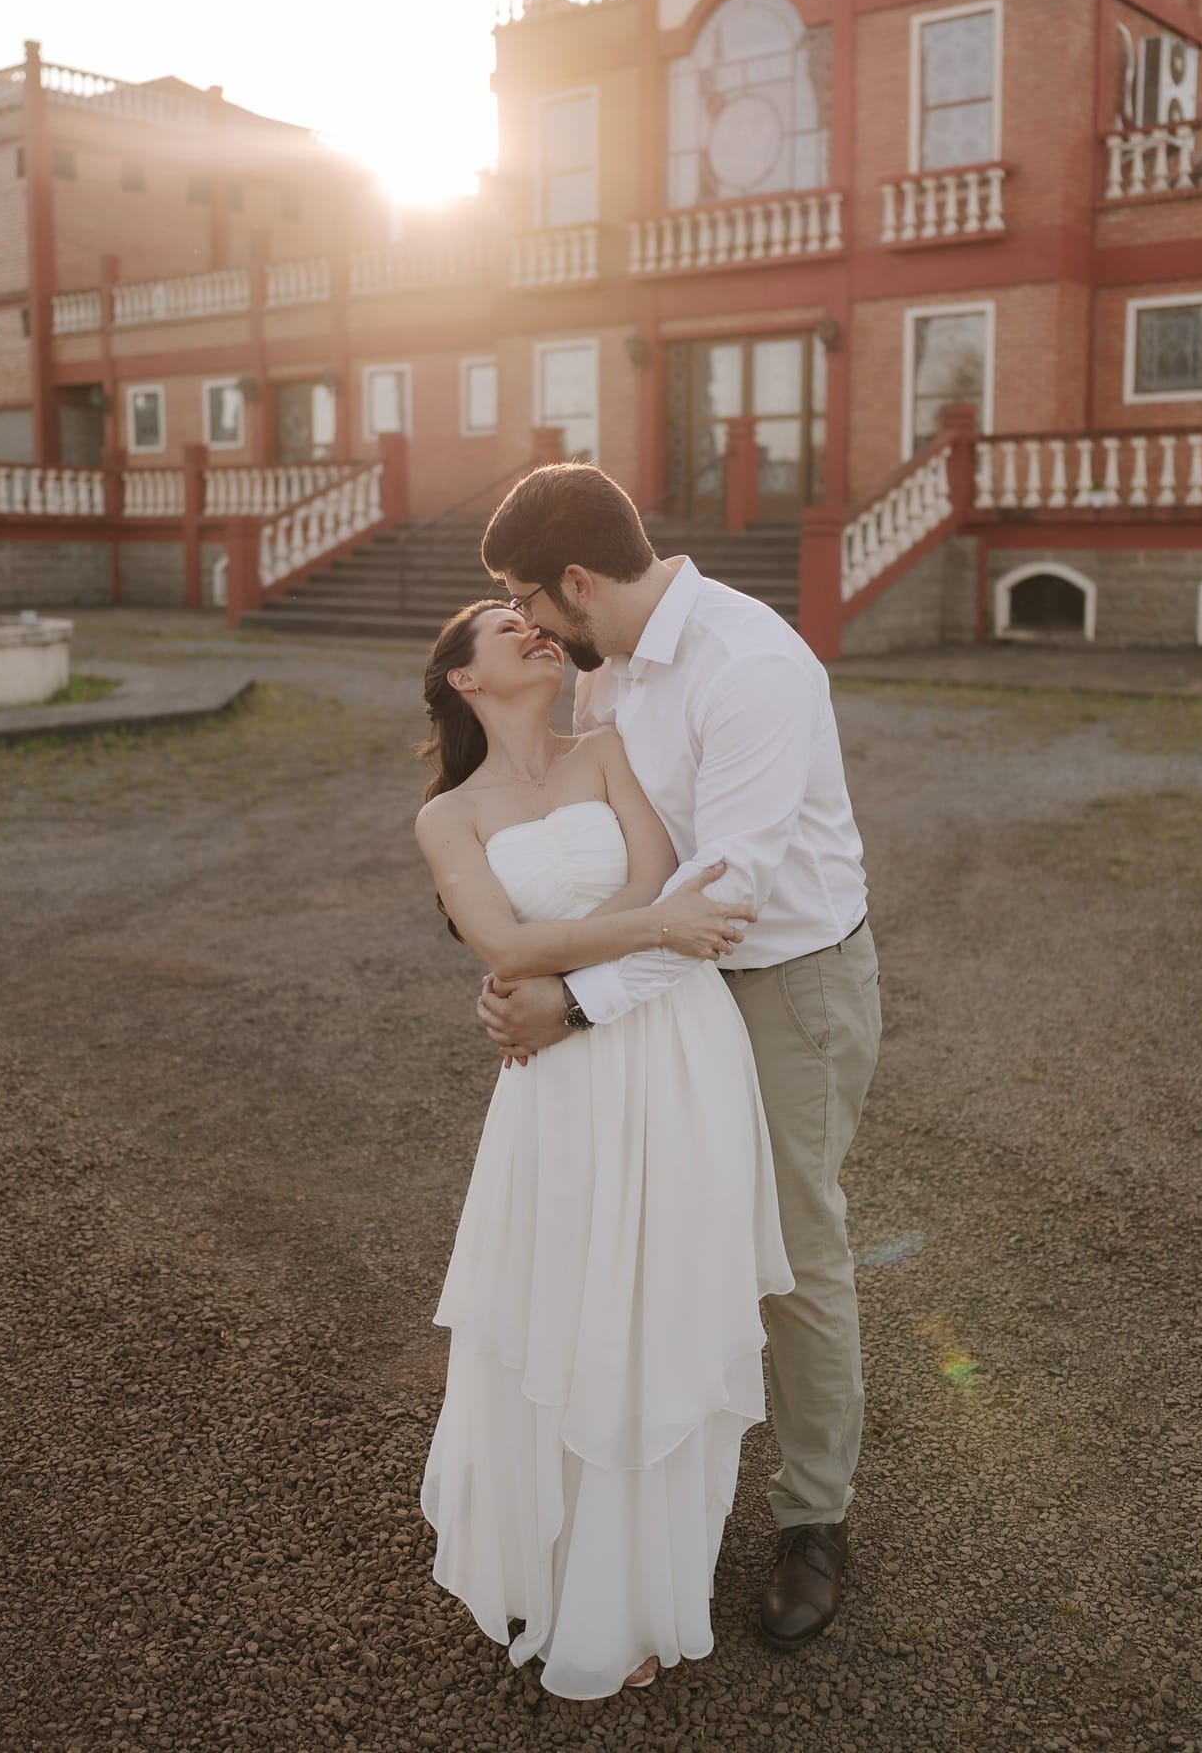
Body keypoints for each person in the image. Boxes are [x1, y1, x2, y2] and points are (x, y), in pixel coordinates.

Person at [473, 463, 882, 1656]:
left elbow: (729, 894)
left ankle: (814, 1517)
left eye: (529, 599)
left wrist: (577, 1003)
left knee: (795, 1248)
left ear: (579, 581)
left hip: (788, 983)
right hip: (667, 990)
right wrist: (514, 960)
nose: (529, 626)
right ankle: (655, 1501)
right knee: (653, 1236)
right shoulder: (598, 675)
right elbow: (588, 840)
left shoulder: (752, 667)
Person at [412, 597, 795, 1699]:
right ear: (464, 679)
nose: (532, 629)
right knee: (568, 1302)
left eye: (531, 614)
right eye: (500, 625)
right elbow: (500, 939)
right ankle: (555, 1566)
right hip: (560, 1080)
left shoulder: (611, 746)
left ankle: (633, 1589)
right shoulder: (449, 817)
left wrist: (611, 951)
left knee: (662, 1300)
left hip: (671, 1045)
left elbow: (660, 880)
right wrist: (654, 930)